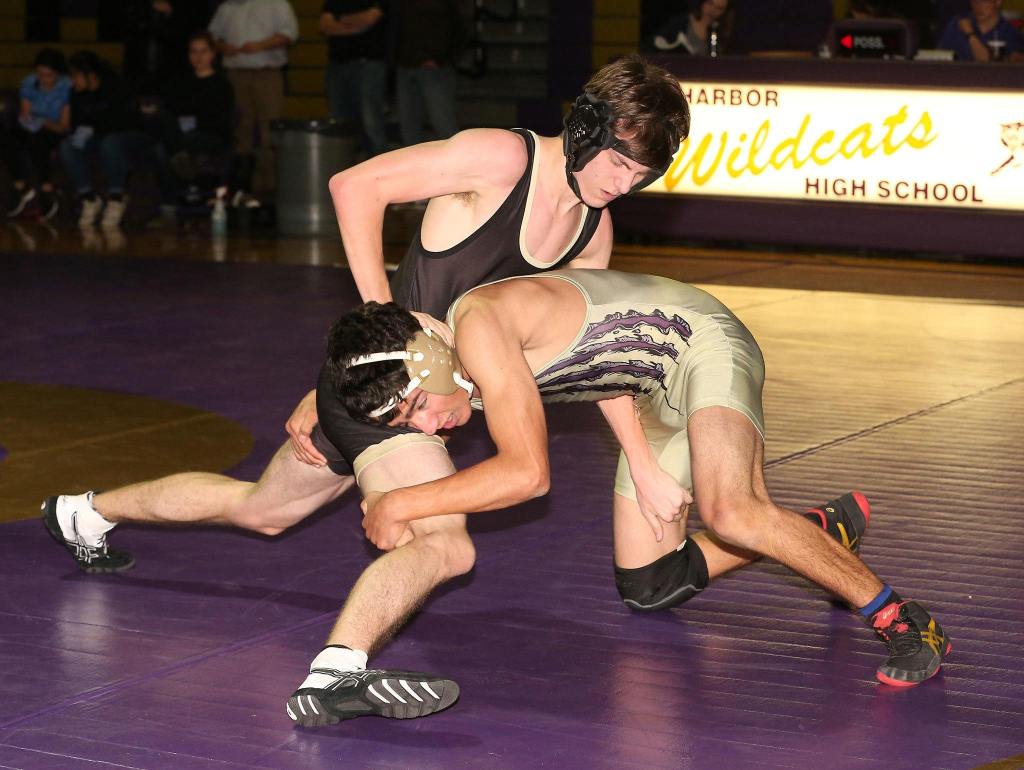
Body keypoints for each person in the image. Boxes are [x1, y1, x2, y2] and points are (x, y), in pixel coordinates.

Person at [42, 55, 689, 720]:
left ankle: (83, 513)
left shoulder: (592, 231)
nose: (624, 184)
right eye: (619, 163)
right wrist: (392, 330)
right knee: (444, 542)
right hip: (397, 391)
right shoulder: (498, 160)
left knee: (262, 510)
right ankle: (336, 672)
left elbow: (593, 358)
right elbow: (354, 187)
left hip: (411, 396)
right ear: (587, 130)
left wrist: (642, 465)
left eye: (641, 175)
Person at [306, 267, 950, 724]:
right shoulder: (440, 347)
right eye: (407, 424)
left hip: (703, 346)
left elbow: (529, 474)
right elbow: (600, 367)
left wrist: (399, 503)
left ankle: (904, 619)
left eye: (418, 407)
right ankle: (819, 531)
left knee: (733, 511)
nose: (425, 426)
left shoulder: (477, 331)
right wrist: (642, 462)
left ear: (430, 364)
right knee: (650, 585)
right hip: (648, 385)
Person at [208, 0, 298, 206]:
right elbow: (212, 35)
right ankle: (240, 186)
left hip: (267, 72)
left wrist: (260, 45)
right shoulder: (228, 6)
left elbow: (289, 34)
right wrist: (223, 47)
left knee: (269, 129)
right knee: (240, 129)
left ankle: (269, 187)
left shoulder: (277, 4)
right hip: (235, 74)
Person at [58, 51, 156, 228]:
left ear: (91, 75)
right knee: (67, 146)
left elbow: (126, 121)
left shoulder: (115, 86)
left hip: (128, 137)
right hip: (98, 139)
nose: (73, 81)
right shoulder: (76, 93)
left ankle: (116, 197)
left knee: (110, 142)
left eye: (76, 76)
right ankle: (88, 198)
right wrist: (80, 133)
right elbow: (77, 123)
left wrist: (93, 127)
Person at [145, 30, 235, 220]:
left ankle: (183, 174)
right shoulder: (180, 82)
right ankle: (170, 203)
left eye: (203, 52)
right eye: (193, 52)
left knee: (172, 146)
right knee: (161, 147)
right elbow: (170, 112)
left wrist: (192, 124)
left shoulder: (222, 84)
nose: (198, 57)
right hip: (180, 136)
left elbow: (220, 121)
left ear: (212, 54)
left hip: (208, 136)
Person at [2, 48, 71, 220]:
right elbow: (26, 114)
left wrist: (43, 122)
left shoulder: (67, 86)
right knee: (5, 137)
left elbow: (64, 125)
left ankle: (46, 189)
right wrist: (29, 121)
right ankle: (21, 186)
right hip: (32, 126)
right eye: (40, 74)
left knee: (37, 139)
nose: (43, 80)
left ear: (58, 73)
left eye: (48, 76)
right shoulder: (29, 82)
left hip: (54, 129)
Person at [320, 0, 389, 158]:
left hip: (369, 64)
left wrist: (341, 20)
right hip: (338, 65)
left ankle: (378, 172)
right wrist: (356, 25)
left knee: (371, 122)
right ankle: (341, 168)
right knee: (339, 122)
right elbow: (324, 25)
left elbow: (369, 20)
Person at [392, 0, 465, 146]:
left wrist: (440, 59)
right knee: (409, 127)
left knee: (443, 122)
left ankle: (456, 165)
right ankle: (415, 166)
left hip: (434, 69)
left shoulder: (445, 5)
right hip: (406, 66)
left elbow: (459, 31)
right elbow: (394, 29)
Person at [937, 0, 1024, 61]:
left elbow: (986, 62)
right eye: (974, 1)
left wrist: (970, 34)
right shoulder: (958, 23)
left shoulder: (1009, 32)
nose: (978, 6)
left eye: (984, 1)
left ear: (998, 2)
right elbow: (939, 56)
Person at [652, 0, 733, 55]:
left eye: (719, 8)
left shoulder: (720, 30)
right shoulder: (681, 22)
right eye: (710, 3)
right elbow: (657, 42)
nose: (712, 10)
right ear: (702, 2)